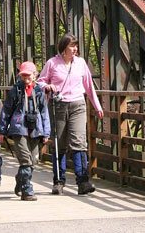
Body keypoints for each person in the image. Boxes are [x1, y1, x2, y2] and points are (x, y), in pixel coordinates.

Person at [37, 33, 103, 196]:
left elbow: (88, 85)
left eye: (76, 46)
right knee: (59, 144)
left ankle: (83, 181)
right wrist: (48, 86)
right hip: (58, 105)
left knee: (79, 142)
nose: (75, 49)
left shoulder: (80, 63)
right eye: (72, 46)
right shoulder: (52, 63)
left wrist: (97, 105)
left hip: (78, 105)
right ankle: (59, 181)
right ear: (64, 47)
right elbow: (39, 82)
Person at [0, 61, 51, 201]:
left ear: (35, 75)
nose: (26, 77)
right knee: (25, 160)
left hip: (35, 129)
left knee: (33, 160)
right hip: (19, 128)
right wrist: (2, 130)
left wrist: (46, 132)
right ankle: (27, 190)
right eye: (23, 75)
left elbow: (44, 112)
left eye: (28, 74)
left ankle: (20, 181)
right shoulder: (16, 90)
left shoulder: (39, 91)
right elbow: (6, 110)